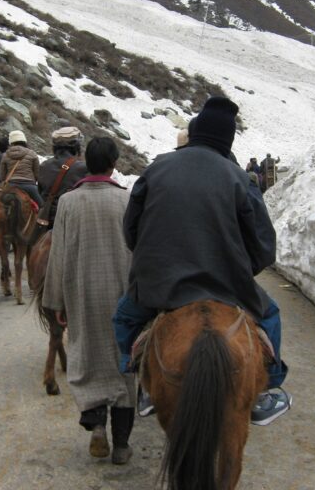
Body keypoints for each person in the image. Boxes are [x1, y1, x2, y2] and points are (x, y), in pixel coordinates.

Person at [113, 96, 291, 426]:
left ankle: (140, 374)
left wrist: (151, 260)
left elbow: (131, 229)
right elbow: (265, 247)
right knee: (271, 317)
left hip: (160, 284)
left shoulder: (157, 168)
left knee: (124, 317)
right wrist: (239, 267)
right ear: (228, 141)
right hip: (226, 286)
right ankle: (269, 387)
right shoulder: (240, 178)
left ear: (195, 134)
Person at [42, 137, 136, 465]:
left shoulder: (68, 202)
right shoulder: (126, 200)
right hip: (123, 297)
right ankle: (122, 444)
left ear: (87, 163)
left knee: (89, 357)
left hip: (83, 295)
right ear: (113, 163)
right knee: (123, 362)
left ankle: (97, 426)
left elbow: (58, 255)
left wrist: (55, 301)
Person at [36, 126, 88, 228]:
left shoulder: (44, 166)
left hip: (47, 221)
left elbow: (40, 194)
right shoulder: (83, 168)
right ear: (76, 146)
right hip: (72, 222)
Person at [0, 130, 44, 207]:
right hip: (29, 186)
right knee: (42, 206)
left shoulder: (5, 155)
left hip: (11, 185)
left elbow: (2, 176)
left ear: (11, 142)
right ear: (24, 140)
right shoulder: (32, 154)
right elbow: (37, 174)